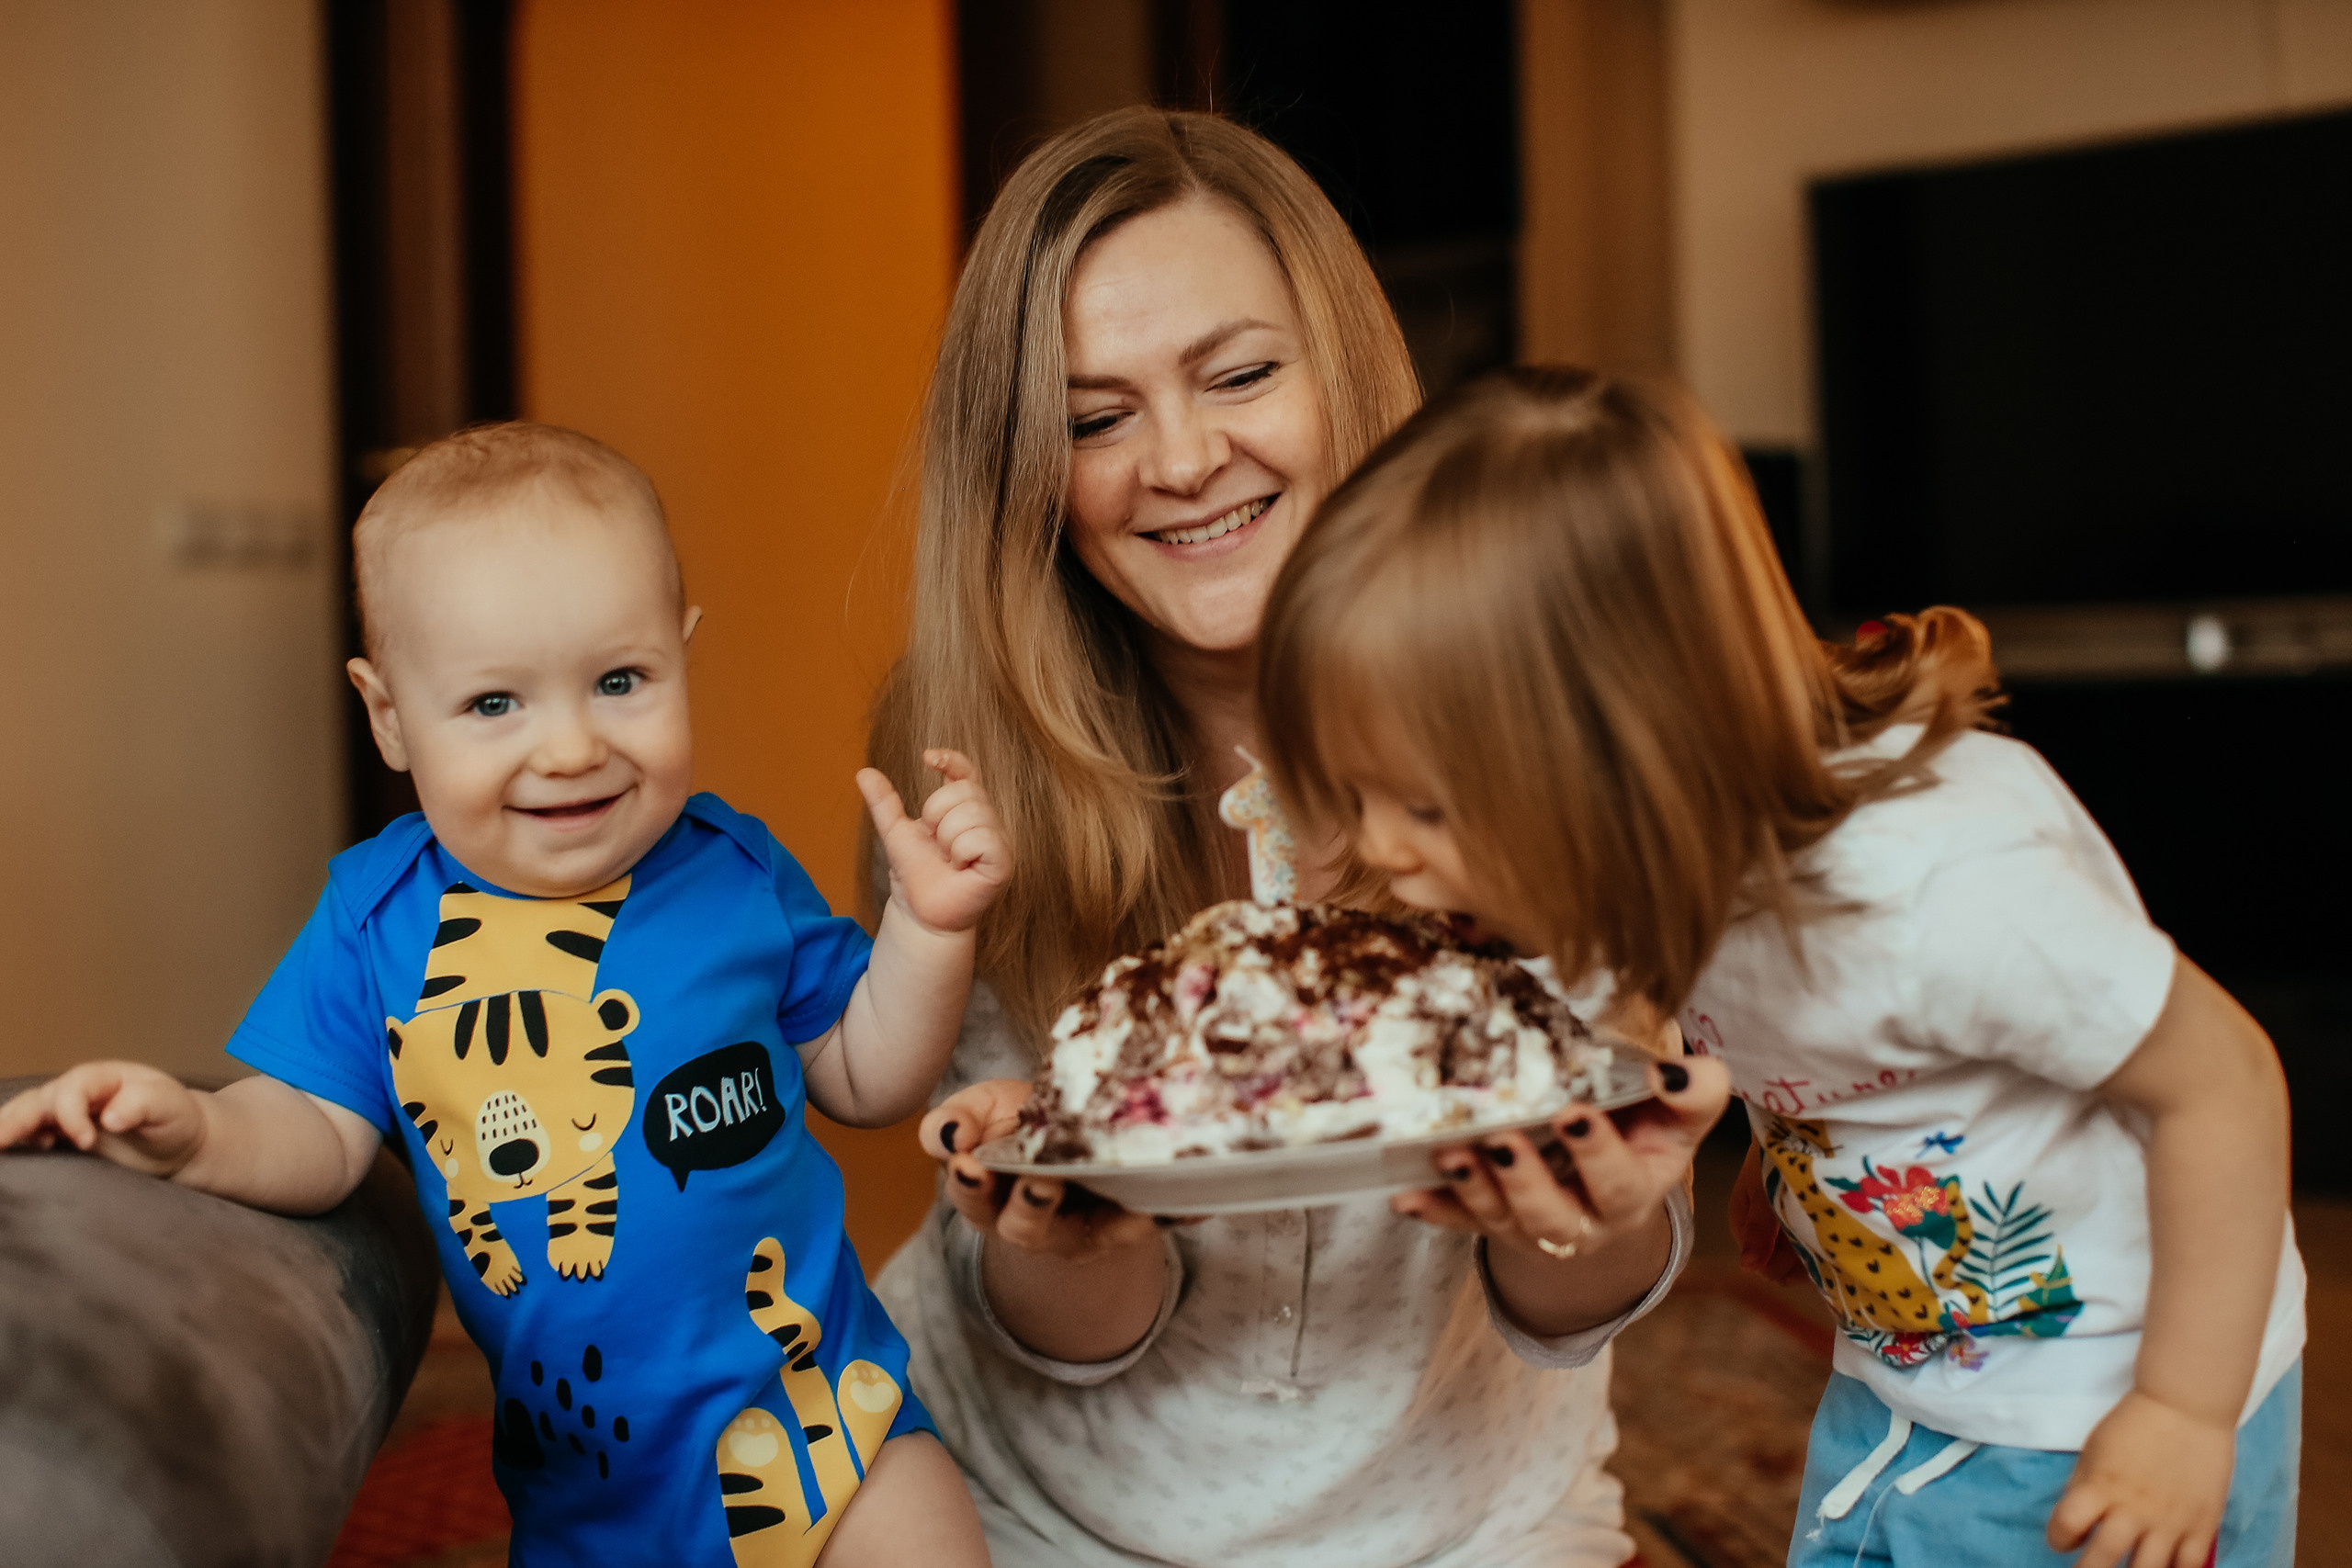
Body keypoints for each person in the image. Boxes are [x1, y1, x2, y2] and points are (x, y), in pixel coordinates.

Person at [1251, 365, 2306, 1568]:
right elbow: (1831, 1029)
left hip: (2098, 1407)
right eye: (1360, 793)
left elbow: (2225, 1080)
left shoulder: (1936, 895)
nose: (1382, 848)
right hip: (1909, 1374)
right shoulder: (1655, 870)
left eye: (1425, 804)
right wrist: (1790, 1155)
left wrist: (2182, 1410)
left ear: (1626, 749)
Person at [864, 107, 1727, 1568]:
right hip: (1036, 1503)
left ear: (1345, 367)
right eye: (1094, 418)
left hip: (1475, 1515)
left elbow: (1579, 1301)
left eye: (1242, 374)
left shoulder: (1541, 713)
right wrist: (1070, 1230)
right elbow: (1075, 1337)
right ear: (1027, 469)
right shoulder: (969, 762)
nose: (1185, 459)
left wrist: (1594, 1205)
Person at [0, 423, 1001, 1568]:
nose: (570, 747)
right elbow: (321, 1131)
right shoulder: (375, 921)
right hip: (591, 1491)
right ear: (389, 716)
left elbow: (869, 1075)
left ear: (684, 655)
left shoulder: (734, 871)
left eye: (620, 682)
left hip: (832, 1422)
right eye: (493, 706)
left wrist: (928, 928)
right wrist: (197, 1134)